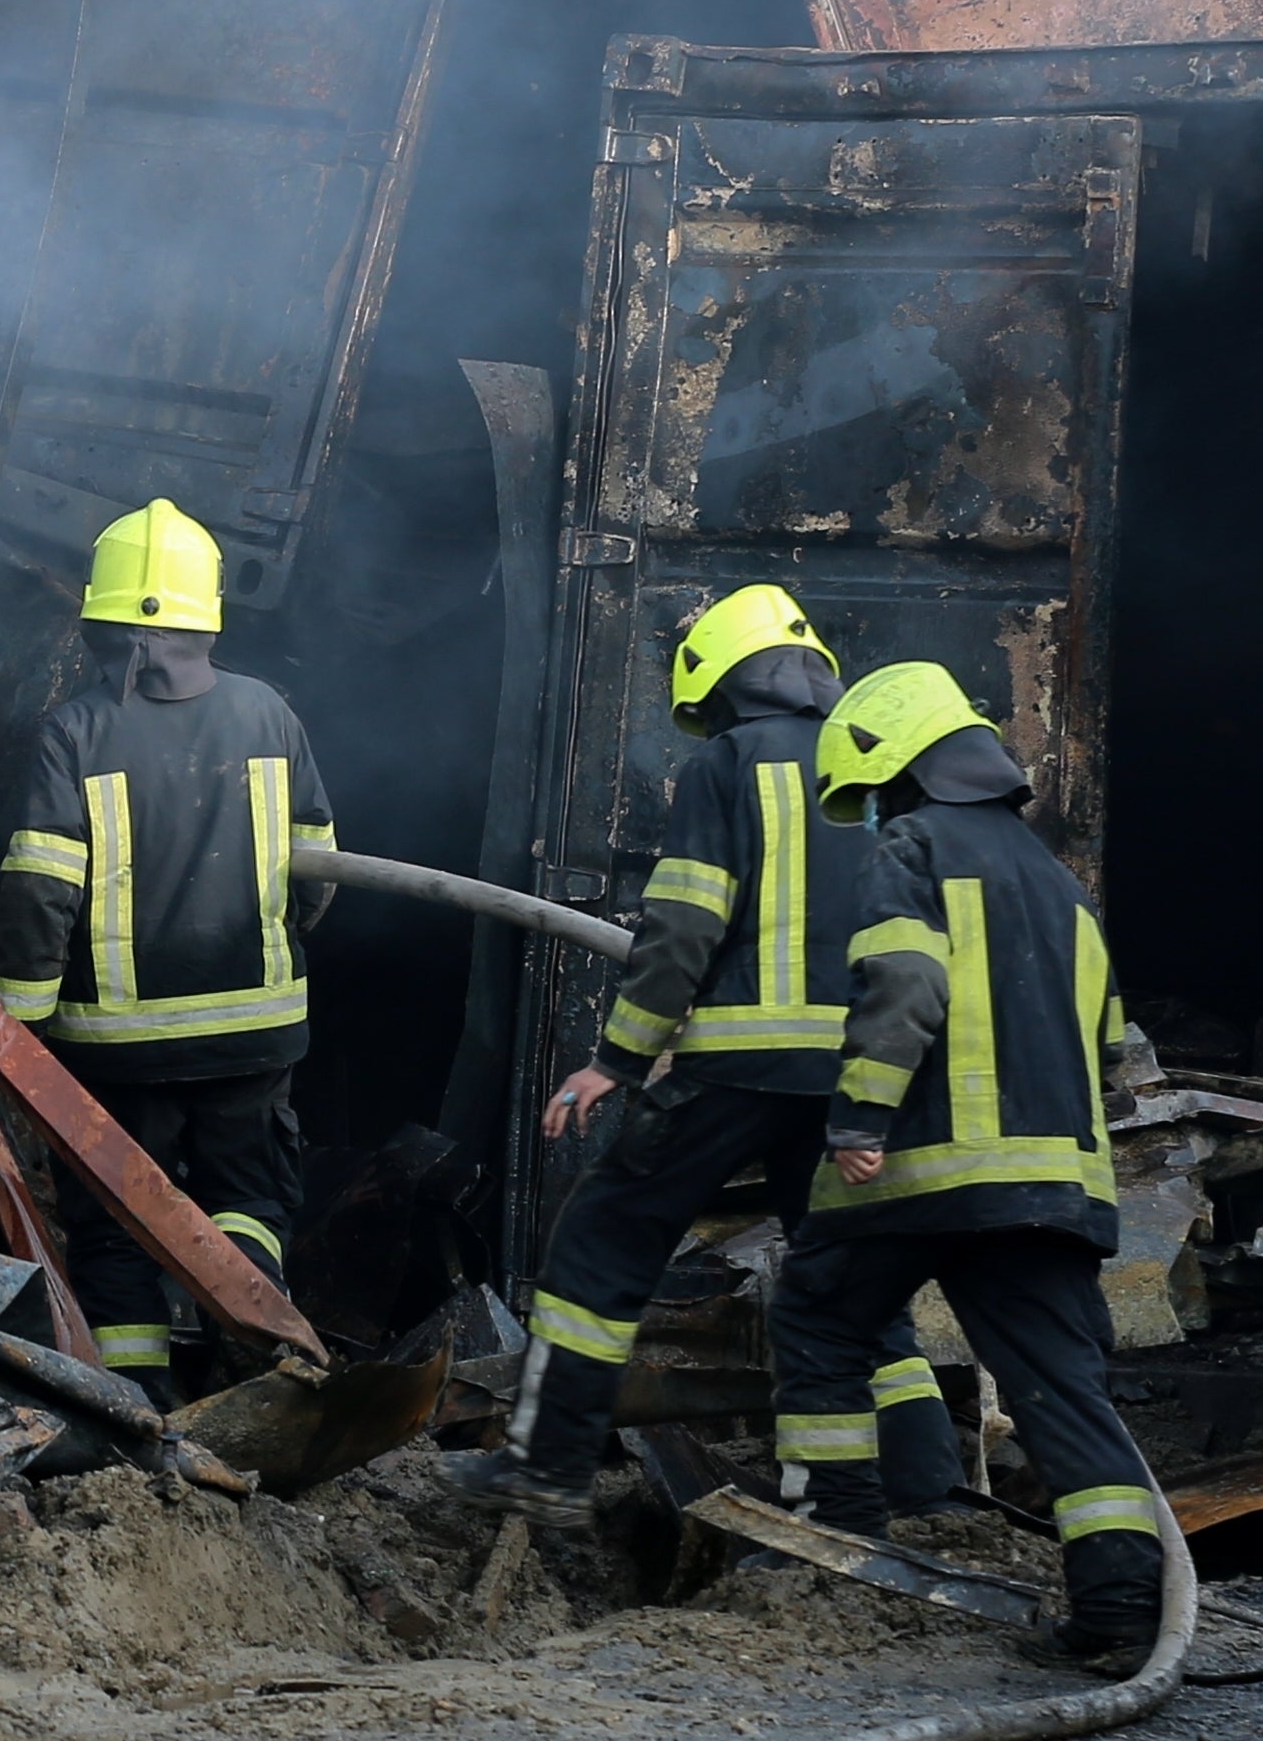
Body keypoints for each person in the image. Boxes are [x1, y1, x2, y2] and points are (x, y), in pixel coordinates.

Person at [480, 583, 943, 1508]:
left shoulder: (732, 762)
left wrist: (615, 1059)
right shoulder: (881, 769)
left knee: (604, 1244)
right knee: (853, 1285)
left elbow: (684, 925)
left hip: (738, 1071)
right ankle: (914, 1493)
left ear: (725, 685)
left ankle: (546, 1466)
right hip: (854, 1086)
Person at [770, 659, 1177, 1675]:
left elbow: (904, 986)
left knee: (819, 1311)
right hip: (1056, 1186)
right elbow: (1115, 1045)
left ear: (899, 766)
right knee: (1060, 1387)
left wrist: (860, 1117)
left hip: (930, 1173)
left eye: (869, 794)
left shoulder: (914, 845)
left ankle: (839, 1546)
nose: (869, 815)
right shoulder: (1060, 885)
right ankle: (1123, 1607)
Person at [0, 496, 339, 1381]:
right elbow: (319, 869)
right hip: (255, 1034)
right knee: (249, 1199)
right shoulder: (269, 714)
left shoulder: (78, 729)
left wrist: (14, 1024)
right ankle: (253, 1375)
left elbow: (39, 890)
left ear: (113, 627)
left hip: (117, 1049)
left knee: (115, 1217)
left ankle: (135, 1407)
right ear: (203, 620)